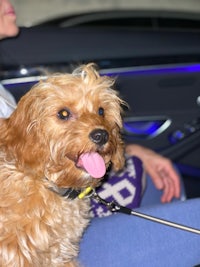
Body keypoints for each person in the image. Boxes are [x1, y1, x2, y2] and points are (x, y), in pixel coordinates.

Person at [2, 1, 200, 266]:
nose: (9, 2)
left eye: (100, 112)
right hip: (40, 236)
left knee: (149, 173)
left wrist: (129, 150)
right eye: (64, 114)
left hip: (66, 222)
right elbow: (18, 138)